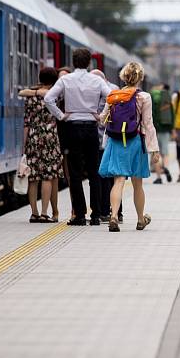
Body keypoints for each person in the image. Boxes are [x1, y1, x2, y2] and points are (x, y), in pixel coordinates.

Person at [40, 49, 111, 226]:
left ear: (73, 62)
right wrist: (101, 115)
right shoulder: (96, 80)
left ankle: (79, 215)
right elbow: (112, 97)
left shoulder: (65, 79)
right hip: (91, 128)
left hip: (72, 127)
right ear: (89, 63)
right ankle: (96, 215)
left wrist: (61, 115)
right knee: (94, 172)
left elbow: (49, 98)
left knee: (75, 173)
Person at [98, 62, 160, 232]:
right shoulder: (144, 97)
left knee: (118, 181)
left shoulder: (113, 95)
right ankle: (140, 220)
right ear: (140, 78)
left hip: (117, 142)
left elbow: (103, 119)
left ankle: (113, 217)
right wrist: (154, 149)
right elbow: (148, 124)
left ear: (124, 77)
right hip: (135, 141)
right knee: (137, 183)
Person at [19, 67, 64, 222]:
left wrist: (23, 146)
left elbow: (26, 122)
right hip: (50, 138)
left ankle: (34, 212)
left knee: (33, 177)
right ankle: (45, 212)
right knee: (48, 176)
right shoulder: (55, 95)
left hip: (33, 137)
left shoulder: (31, 97)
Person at [90, 68, 123, 223]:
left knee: (102, 176)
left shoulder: (109, 91)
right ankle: (117, 212)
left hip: (103, 139)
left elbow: (102, 117)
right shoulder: (115, 89)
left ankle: (105, 211)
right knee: (114, 176)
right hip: (112, 138)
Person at [149, 83, 174, 184]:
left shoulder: (151, 96)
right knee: (165, 152)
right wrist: (172, 128)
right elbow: (172, 114)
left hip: (154, 129)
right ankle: (165, 167)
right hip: (165, 128)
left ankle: (159, 176)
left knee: (155, 153)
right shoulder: (167, 97)